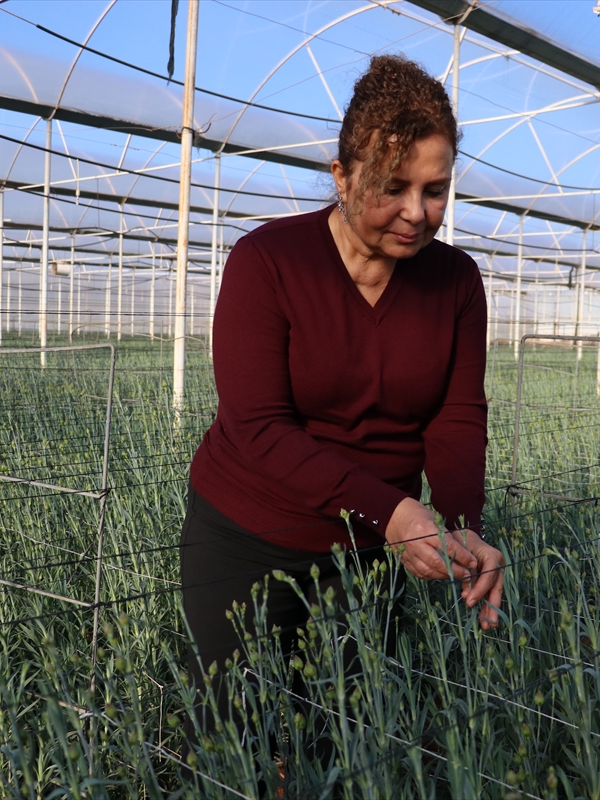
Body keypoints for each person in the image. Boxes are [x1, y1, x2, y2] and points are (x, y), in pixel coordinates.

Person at [179, 54, 505, 749]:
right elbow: (259, 427)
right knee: (233, 737)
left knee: (346, 738)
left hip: (365, 552)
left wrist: (460, 528)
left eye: (436, 190)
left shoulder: (456, 282)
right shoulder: (269, 261)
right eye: (394, 187)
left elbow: (455, 417)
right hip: (247, 537)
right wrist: (395, 512)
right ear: (343, 176)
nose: (417, 213)